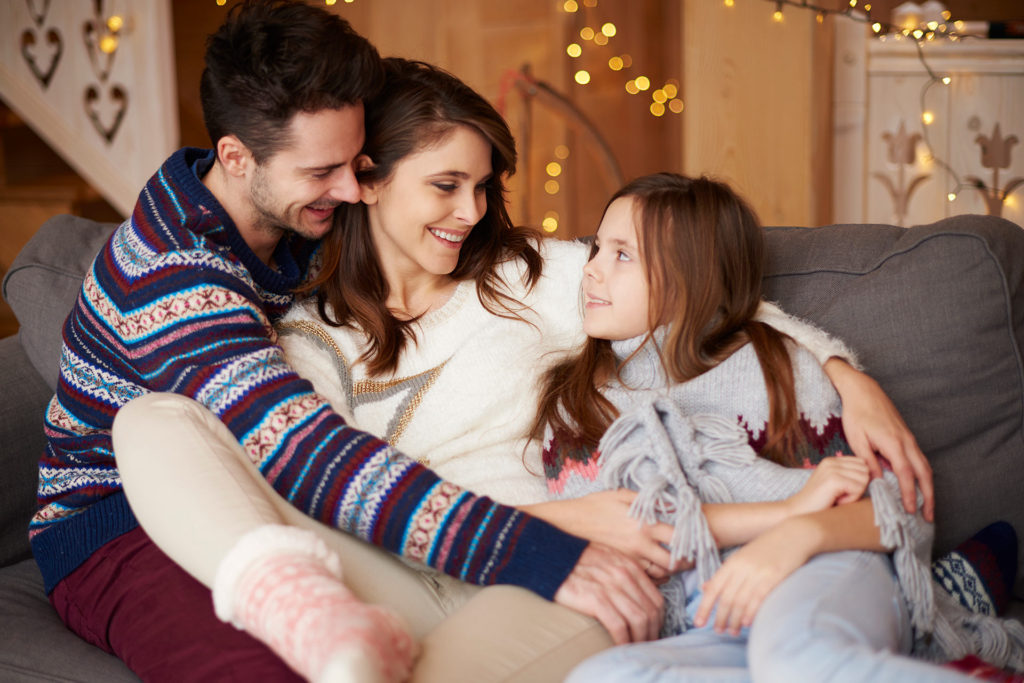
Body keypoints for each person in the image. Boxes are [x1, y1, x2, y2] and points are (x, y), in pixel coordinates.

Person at [114, 56, 937, 681]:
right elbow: (305, 485)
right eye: (445, 184)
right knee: (147, 421)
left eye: (482, 185)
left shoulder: (530, 278)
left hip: (535, 575)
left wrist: (846, 372)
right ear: (367, 181)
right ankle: (313, 621)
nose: (471, 211)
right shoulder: (300, 331)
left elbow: (691, 286)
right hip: (379, 573)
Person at [31, 4, 656, 682]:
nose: (352, 189)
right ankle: (304, 611)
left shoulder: (304, 219)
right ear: (236, 158)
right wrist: (532, 548)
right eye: (323, 171)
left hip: (266, 490)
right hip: (121, 525)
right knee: (256, 655)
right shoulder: (171, 278)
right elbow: (305, 451)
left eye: (358, 163)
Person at [533, 172, 1024, 682]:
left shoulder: (773, 365)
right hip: (712, 619)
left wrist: (797, 536)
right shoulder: (577, 406)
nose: (592, 271)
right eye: (596, 250)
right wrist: (786, 513)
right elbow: (635, 539)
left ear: (692, 276)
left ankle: (926, 606)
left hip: (823, 564)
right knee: (603, 677)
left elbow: (894, 512)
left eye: (622, 255)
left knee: (796, 658)